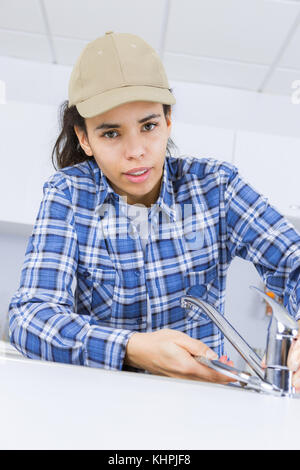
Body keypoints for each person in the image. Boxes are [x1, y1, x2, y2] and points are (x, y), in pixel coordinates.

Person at [8, 31, 300, 390]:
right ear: (84, 138)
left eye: (148, 126)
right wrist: (133, 349)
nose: (136, 151)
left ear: (168, 121)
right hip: (95, 408)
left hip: (203, 406)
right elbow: (30, 318)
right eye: (111, 134)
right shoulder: (68, 196)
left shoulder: (216, 188)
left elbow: (294, 262)